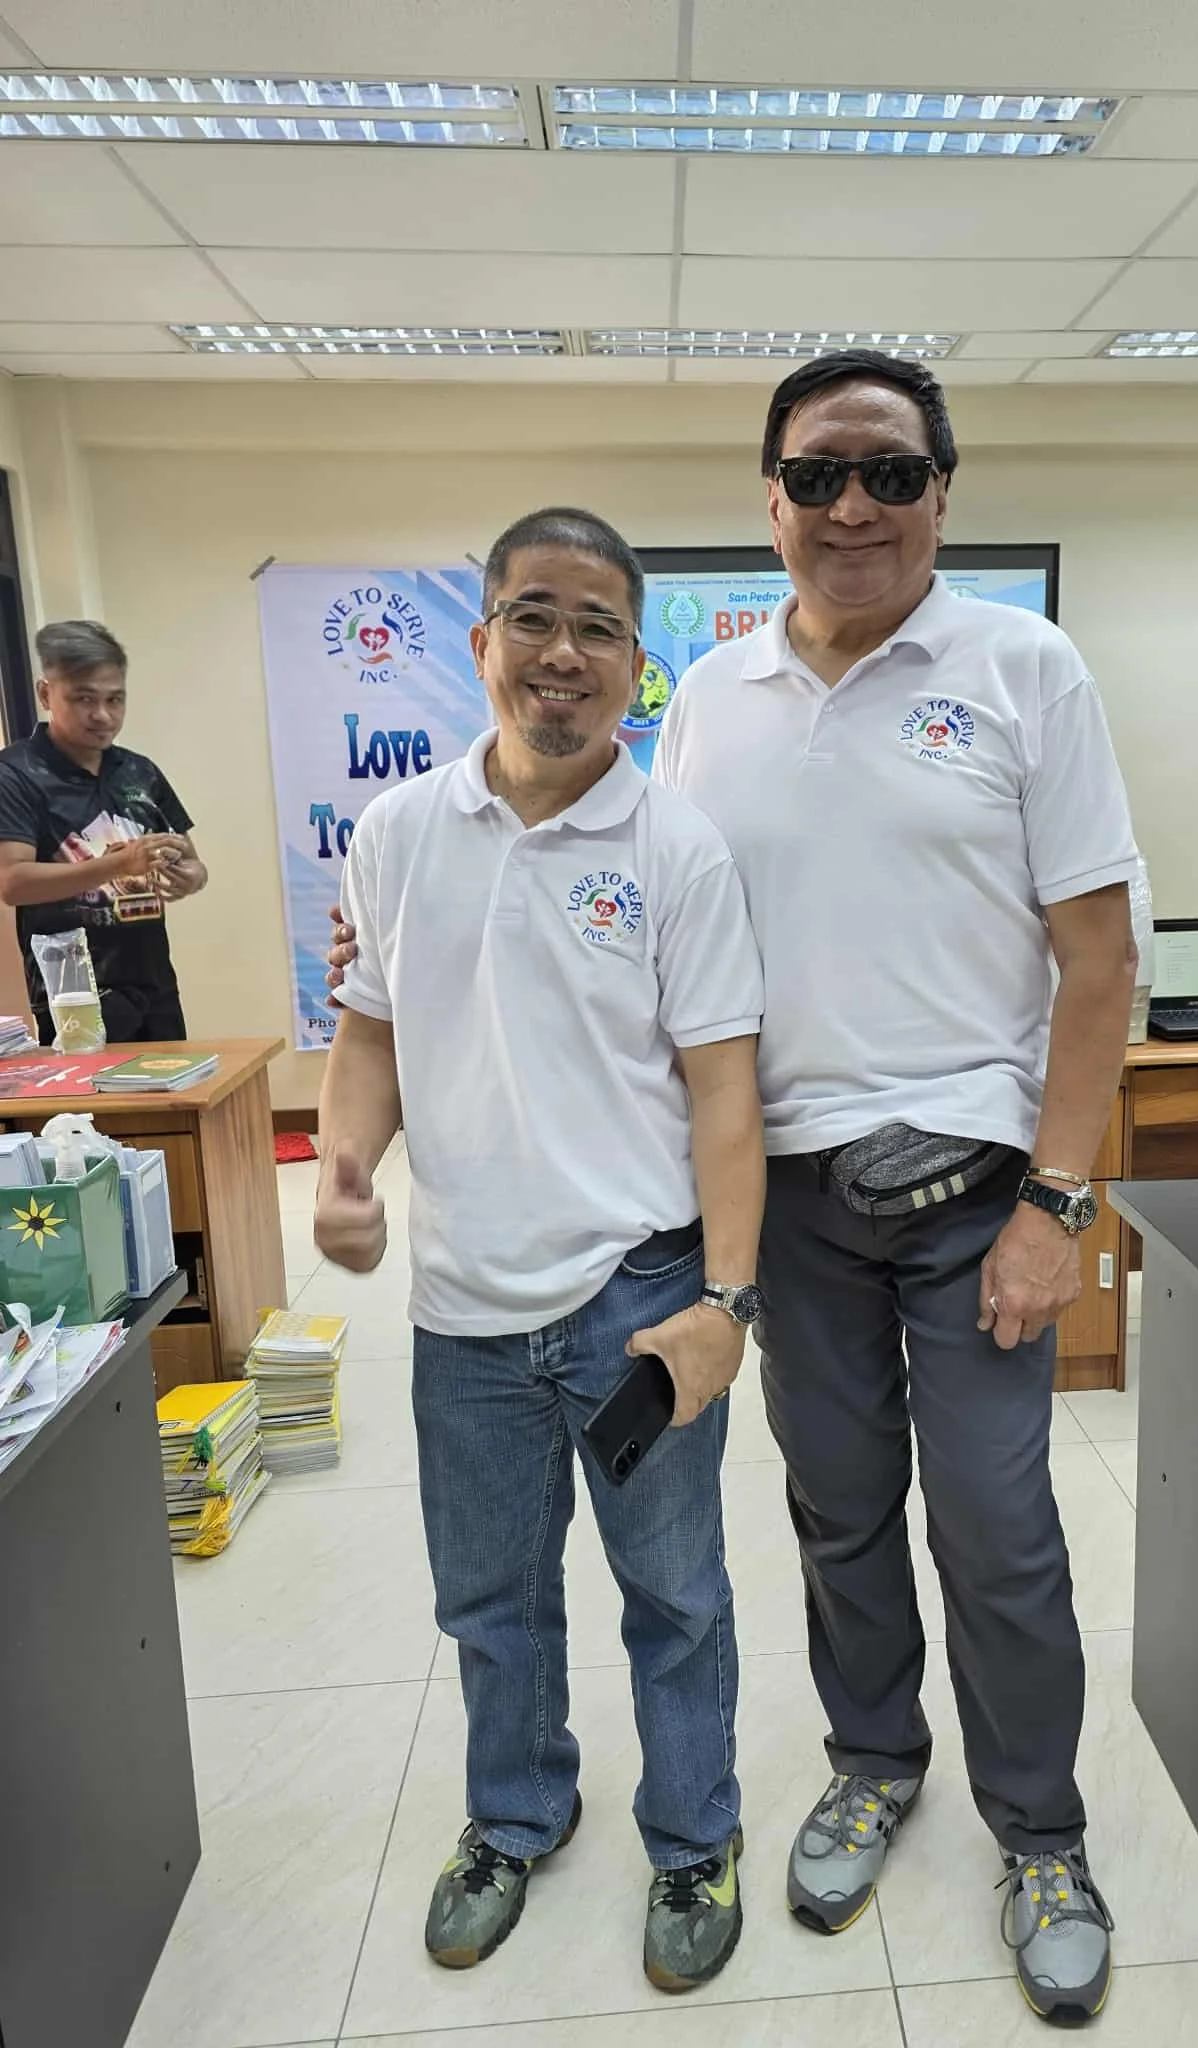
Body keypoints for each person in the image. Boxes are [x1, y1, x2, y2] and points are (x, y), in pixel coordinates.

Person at [667, 351, 1137, 2022]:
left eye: (887, 472)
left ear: (944, 489)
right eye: (815, 476)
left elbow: (1099, 964)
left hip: (977, 1194)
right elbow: (664, 941)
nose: (850, 505)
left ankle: (1042, 1831)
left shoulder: (1024, 668)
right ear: (771, 498)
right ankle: (874, 1757)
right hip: (790, 1204)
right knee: (834, 1507)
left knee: (999, 1525)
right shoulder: (710, 699)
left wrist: (1058, 1203)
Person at [315, 508, 766, 1995]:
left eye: (596, 628)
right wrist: (344, 1163)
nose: (563, 654)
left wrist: (723, 1304)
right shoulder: (395, 835)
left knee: (675, 1596)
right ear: (483, 640)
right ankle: (514, 1817)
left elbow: (724, 1096)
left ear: (639, 665)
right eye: (534, 618)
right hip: (463, 1312)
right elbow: (370, 1030)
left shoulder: (676, 846)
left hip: (635, 1300)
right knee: (491, 1601)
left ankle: (694, 1836)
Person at [0, 620, 205, 1044]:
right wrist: (116, 864)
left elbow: (192, 862)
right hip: (73, 995)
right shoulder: (14, 773)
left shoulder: (140, 771)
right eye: (84, 699)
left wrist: (190, 877)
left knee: (173, 1101)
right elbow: (13, 883)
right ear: (45, 693)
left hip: (155, 983)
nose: (103, 716)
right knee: (94, 1109)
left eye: (115, 700)